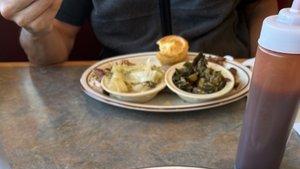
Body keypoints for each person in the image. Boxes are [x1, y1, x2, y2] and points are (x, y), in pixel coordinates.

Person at [0, 0, 278, 66]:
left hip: (227, 80)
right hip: (121, 93)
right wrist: (37, 28)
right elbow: (56, 42)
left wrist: (266, 70)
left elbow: (260, 7)